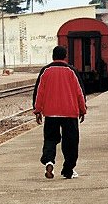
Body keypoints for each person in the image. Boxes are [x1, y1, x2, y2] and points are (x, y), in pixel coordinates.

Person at [32, 45, 87, 179]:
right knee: (71, 142)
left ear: (53, 56)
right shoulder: (71, 71)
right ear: (65, 56)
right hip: (70, 112)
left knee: (50, 139)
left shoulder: (46, 71)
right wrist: (82, 109)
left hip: (51, 113)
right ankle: (68, 170)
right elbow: (79, 92)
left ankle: (49, 161)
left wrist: (38, 110)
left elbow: (40, 92)